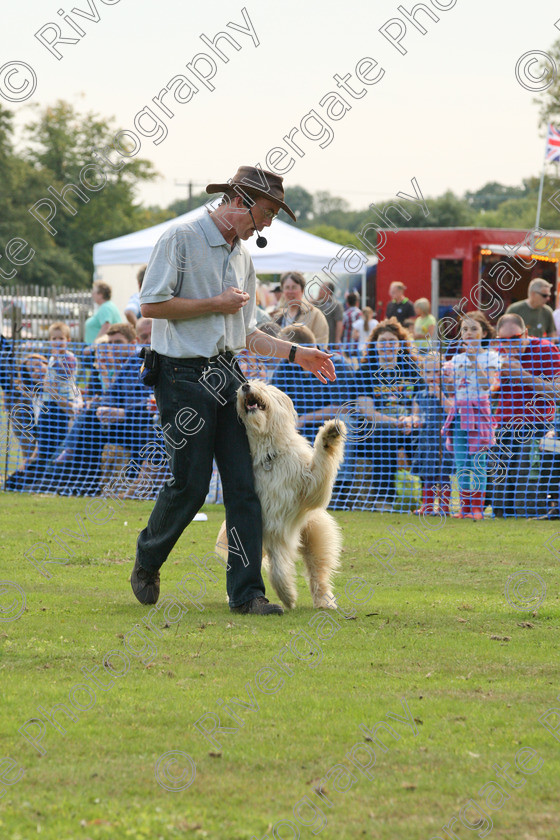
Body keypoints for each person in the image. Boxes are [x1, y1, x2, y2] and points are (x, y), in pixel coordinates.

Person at [132, 165, 336, 616]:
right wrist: (214, 304)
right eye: (265, 213)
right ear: (240, 201)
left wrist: (294, 353)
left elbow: (246, 332)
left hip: (227, 373)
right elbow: (150, 305)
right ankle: (148, 557)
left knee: (245, 486)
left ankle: (246, 594)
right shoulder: (180, 239)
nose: (266, 224)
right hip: (180, 376)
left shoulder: (242, 257)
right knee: (190, 484)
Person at [490, 313, 560, 517]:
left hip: (536, 425)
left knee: (526, 478)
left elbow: (557, 391)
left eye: (515, 338)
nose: (509, 344)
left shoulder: (546, 350)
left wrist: (522, 375)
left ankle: (528, 512)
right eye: (503, 340)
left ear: (526, 333)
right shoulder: (495, 354)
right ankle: (500, 513)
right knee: (500, 486)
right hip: (502, 425)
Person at [353, 318, 423, 511]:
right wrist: (396, 423)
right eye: (382, 341)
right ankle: (384, 500)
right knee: (384, 438)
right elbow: (368, 413)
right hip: (377, 427)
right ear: (374, 345)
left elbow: (419, 401)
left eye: (392, 341)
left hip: (409, 424)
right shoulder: (365, 373)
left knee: (424, 437)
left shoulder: (412, 369)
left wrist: (412, 419)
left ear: (401, 344)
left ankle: (426, 498)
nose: (387, 346)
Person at [441, 312, 500, 520]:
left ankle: (477, 508)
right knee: (461, 462)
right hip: (459, 415)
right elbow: (451, 389)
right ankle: (464, 508)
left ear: (484, 332)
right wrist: (445, 378)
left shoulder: (491, 356)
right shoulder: (456, 359)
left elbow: (488, 386)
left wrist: (474, 361)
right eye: (465, 329)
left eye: (474, 329)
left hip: (479, 414)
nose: (469, 333)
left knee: (478, 462)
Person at [409, 353, 453, 515]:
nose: (432, 377)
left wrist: (439, 394)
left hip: (443, 442)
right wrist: (412, 420)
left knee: (443, 476)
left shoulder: (447, 393)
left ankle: (444, 508)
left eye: (436, 372)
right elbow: (416, 415)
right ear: (422, 373)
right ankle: (427, 506)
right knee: (428, 476)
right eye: (428, 373)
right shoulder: (420, 396)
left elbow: (451, 411)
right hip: (426, 442)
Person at [272, 272, 329, 345]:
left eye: (294, 287)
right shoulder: (278, 317)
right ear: (283, 291)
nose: (290, 292)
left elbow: (322, 343)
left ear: (302, 290)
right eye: (287, 287)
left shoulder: (316, 315)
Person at [314, 280, 344, 345]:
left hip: (330, 342)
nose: (319, 291)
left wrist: (337, 340)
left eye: (322, 289)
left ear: (329, 291)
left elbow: (339, 323)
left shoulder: (336, 305)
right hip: (318, 341)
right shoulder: (317, 304)